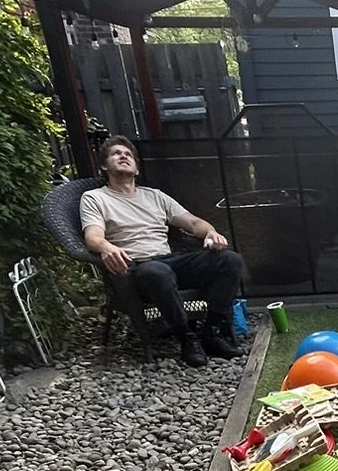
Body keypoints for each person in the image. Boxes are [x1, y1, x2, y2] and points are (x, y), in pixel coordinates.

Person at [79, 136, 245, 368]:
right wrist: (106, 247)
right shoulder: (95, 198)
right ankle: (187, 338)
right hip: (136, 269)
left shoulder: (155, 196)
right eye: (116, 153)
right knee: (157, 273)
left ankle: (212, 332)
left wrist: (210, 233)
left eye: (128, 154)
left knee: (230, 260)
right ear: (105, 166)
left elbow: (194, 223)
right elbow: (93, 237)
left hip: (171, 262)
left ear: (136, 169)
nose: (123, 156)